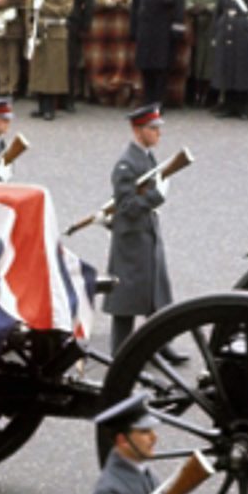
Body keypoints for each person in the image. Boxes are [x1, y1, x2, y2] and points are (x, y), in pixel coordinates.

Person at [104, 104, 174, 357]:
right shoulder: (126, 165)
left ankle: (160, 345)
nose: (159, 133)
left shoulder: (145, 157)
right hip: (131, 238)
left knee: (155, 292)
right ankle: (119, 351)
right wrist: (157, 196)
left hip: (146, 232)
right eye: (153, 128)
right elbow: (127, 206)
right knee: (126, 299)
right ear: (138, 130)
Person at [130, 0, 181, 110]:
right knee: (145, 65)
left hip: (162, 27)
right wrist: (134, 27)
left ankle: (158, 100)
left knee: (160, 66)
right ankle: (147, 98)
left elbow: (179, 4)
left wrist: (177, 26)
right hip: (145, 25)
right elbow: (136, 3)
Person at [27, 0, 73, 121]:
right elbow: (29, 9)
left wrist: (44, 6)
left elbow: (66, 9)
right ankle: (40, 105)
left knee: (53, 72)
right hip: (39, 31)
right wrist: (30, 28)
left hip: (55, 31)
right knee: (38, 70)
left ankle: (50, 108)